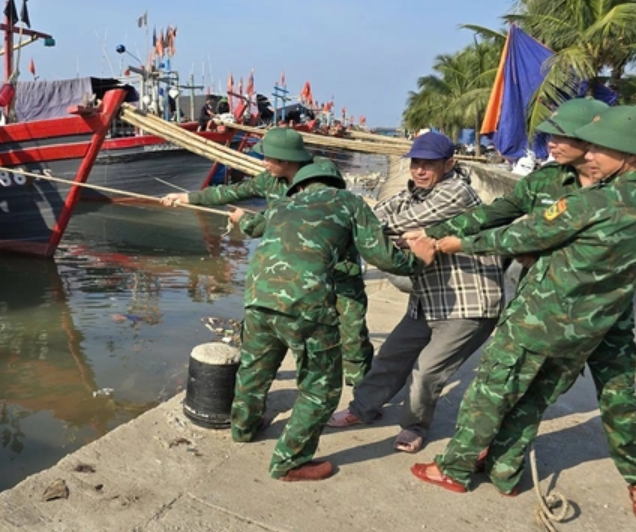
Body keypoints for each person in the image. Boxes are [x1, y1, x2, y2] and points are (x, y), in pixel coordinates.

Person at [413, 97, 636, 515]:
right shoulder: (549, 182)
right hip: (591, 323)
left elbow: (523, 235)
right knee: (534, 397)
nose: (555, 144)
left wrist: (456, 244)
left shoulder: (595, 201)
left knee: (493, 391)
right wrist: (434, 231)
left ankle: (455, 468)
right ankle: (505, 469)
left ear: (627, 154)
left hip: (547, 317)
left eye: (595, 145)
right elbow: (503, 214)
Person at [230, 151, 436, 482]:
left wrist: (240, 217)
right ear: (336, 184)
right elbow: (383, 257)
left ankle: (243, 428)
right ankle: (289, 462)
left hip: (257, 299)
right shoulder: (348, 202)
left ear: (299, 185)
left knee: (254, 369)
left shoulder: (282, 205)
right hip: (305, 305)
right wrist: (418, 260)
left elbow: (253, 225)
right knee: (320, 387)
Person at [327, 132, 504, 453]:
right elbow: (373, 219)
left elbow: (397, 224)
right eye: (416, 163)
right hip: (428, 299)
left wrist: (390, 233)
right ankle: (362, 409)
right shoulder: (411, 193)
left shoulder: (457, 192)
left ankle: (414, 425)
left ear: (449, 164)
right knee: (390, 357)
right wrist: (391, 233)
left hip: (469, 305)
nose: (420, 170)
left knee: (427, 372)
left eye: (429, 164)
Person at [160, 128, 375, 386]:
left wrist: (246, 221)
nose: (263, 163)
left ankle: (359, 387)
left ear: (286, 159)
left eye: (268, 158)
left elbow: (282, 223)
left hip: (338, 267)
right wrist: (187, 197)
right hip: (292, 269)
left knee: (352, 329)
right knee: (278, 326)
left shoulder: (320, 178)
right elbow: (232, 192)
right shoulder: (270, 181)